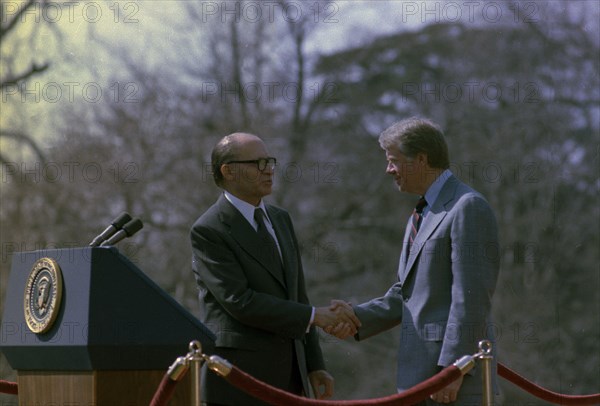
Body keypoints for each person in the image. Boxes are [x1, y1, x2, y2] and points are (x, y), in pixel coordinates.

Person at [330, 117, 500, 405]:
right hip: (421, 380)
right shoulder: (421, 213)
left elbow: (471, 299)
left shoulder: (467, 207)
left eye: (394, 161)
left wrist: (454, 369)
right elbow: (406, 295)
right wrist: (356, 318)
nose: (388, 170)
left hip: (450, 383)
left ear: (421, 159)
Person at [190, 132, 360, 406]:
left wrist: (314, 364)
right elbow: (240, 302)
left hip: (290, 379)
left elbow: (297, 295)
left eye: (269, 161)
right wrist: (316, 316)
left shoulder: (280, 219)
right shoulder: (209, 229)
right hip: (238, 381)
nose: (268, 169)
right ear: (228, 170)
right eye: (257, 163)